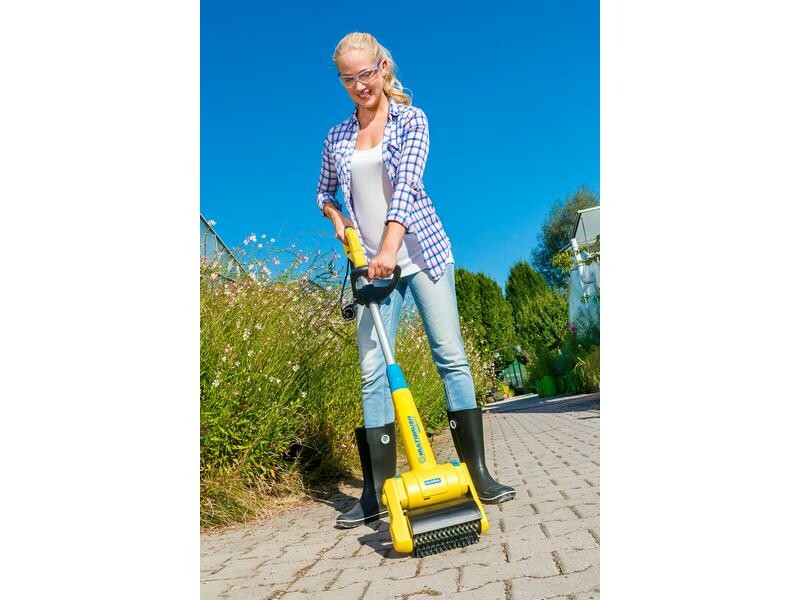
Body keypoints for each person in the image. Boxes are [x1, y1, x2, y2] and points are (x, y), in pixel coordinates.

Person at [316, 32, 515, 529]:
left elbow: (407, 185)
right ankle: (376, 492)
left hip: (422, 254)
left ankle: (478, 473)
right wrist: (338, 219)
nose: (360, 85)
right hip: (371, 266)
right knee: (372, 371)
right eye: (348, 78)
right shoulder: (336, 137)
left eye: (367, 73)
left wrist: (389, 248)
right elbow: (324, 192)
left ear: (383, 68)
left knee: (450, 357)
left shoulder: (413, 121)